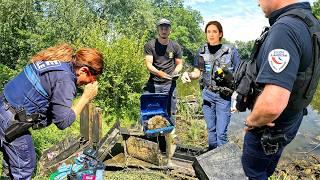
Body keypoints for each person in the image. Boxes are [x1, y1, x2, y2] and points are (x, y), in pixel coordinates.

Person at [233, 0, 320, 179]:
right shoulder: (311, 24)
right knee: (265, 169)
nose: (258, 4)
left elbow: (272, 105)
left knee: (253, 173)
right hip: (290, 121)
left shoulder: (286, 29)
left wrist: (251, 121)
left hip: (268, 129)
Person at [0, 43, 104, 179]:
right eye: (93, 78)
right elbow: (63, 122)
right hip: (11, 121)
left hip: (4, 106)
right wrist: (85, 98)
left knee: (11, 162)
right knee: (25, 167)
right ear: (84, 70)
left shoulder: (58, 64)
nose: (91, 83)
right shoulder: (65, 79)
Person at [181, 21, 240, 150]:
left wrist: (236, 99)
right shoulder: (201, 51)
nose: (211, 34)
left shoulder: (231, 51)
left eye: (214, 31)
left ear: (220, 34)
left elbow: (239, 75)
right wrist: (189, 75)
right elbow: (197, 72)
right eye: (208, 32)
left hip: (224, 97)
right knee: (211, 130)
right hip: (207, 94)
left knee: (221, 134)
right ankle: (211, 158)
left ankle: (222, 164)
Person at [143, 18, 183, 166]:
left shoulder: (175, 46)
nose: (164, 30)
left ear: (170, 30)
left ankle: (169, 158)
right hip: (154, 84)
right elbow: (148, 63)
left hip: (169, 86)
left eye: (166, 27)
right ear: (158, 29)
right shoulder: (150, 45)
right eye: (161, 27)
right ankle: (153, 154)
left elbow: (179, 64)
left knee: (170, 118)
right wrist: (159, 73)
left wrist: (175, 72)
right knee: (151, 118)